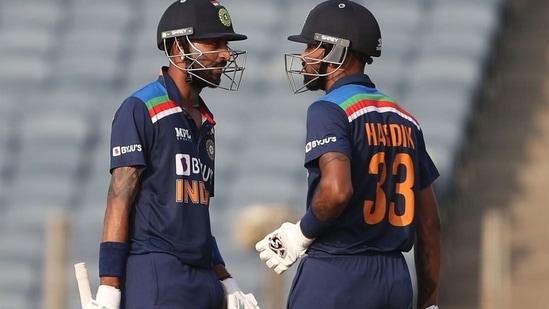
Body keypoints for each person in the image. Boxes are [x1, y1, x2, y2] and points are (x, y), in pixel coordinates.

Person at [255, 1, 441, 309]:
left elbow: (337, 190)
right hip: (395, 278)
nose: (304, 56)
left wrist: (301, 233)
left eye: (312, 46)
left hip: (337, 273)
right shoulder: (406, 119)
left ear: (336, 52)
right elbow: (430, 223)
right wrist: (429, 303)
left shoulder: (328, 109)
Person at [90, 1, 259, 308]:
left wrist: (226, 279)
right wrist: (109, 287)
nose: (225, 54)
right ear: (179, 46)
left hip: (203, 280)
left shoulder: (206, 120)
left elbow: (196, 216)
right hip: (159, 275)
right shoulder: (141, 108)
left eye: (227, 44)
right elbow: (118, 200)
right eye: (214, 43)